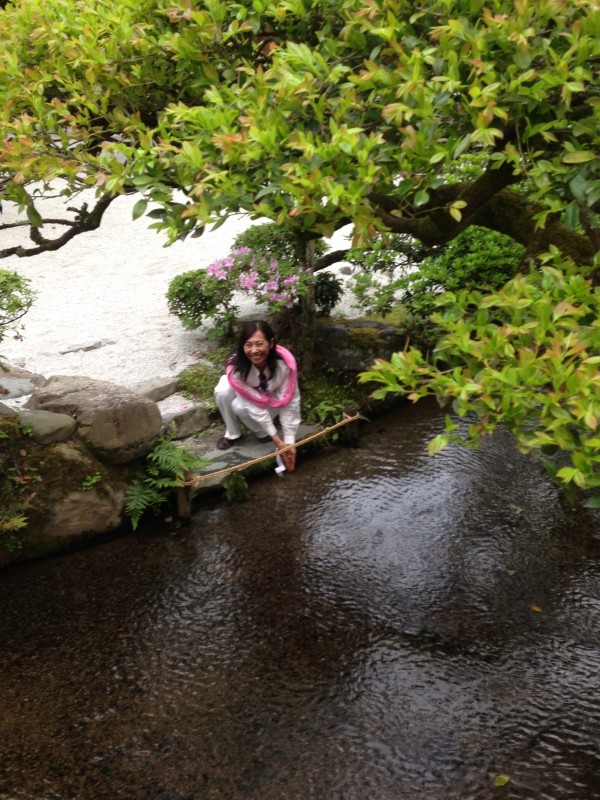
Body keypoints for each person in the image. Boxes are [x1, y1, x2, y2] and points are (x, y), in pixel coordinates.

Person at [213, 320, 301, 472]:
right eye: (248, 345)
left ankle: (261, 432)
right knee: (223, 392)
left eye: (260, 344)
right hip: (248, 391)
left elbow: (290, 402)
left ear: (271, 343)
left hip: (269, 395)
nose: (254, 350)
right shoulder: (237, 369)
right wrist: (277, 441)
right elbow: (251, 403)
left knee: (239, 407)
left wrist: (289, 442)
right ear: (242, 346)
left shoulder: (284, 365)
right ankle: (232, 433)